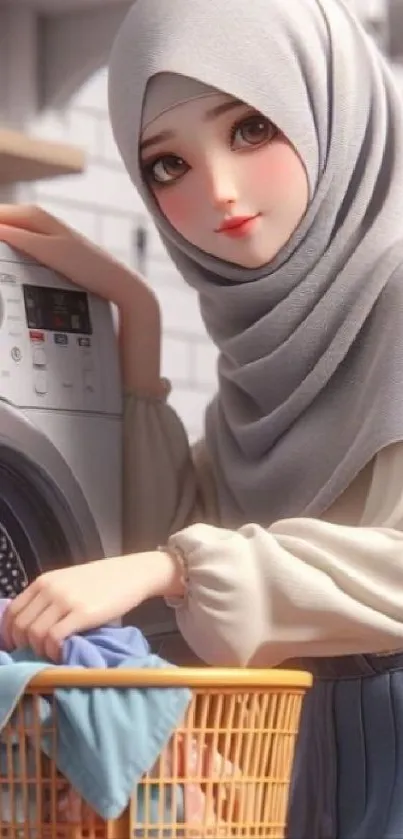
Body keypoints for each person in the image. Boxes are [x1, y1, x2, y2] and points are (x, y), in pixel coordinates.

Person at [2, 0, 403, 833]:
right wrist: (132, 319)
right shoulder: (265, 358)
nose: (217, 189)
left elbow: (179, 565)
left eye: (251, 128)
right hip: (287, 758)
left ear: (332, 104)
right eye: (166, 166)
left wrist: (173, 567)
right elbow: (168, 560)